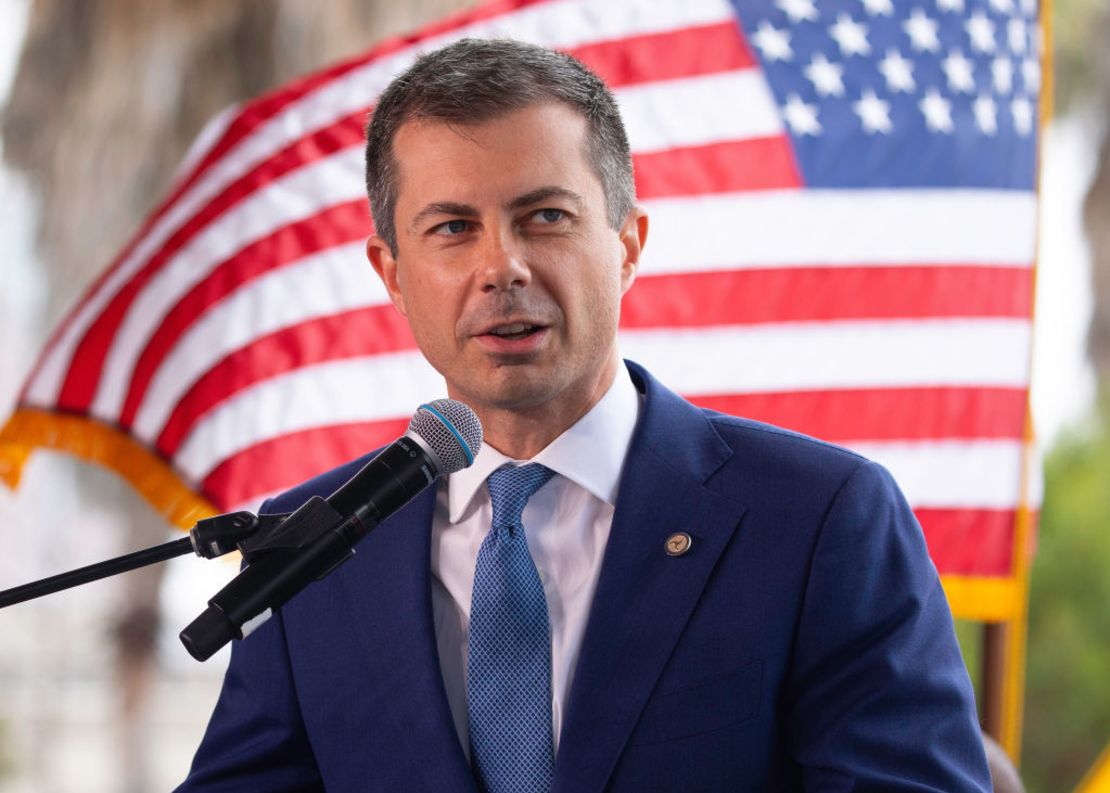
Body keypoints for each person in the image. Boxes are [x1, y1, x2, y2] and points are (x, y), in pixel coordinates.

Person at [177, 39, 992, 791]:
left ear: (629, 244)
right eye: (454, 228)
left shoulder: (821, 520)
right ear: (390, 273)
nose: (503, 266)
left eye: (546, 217)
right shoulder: (310, 547)